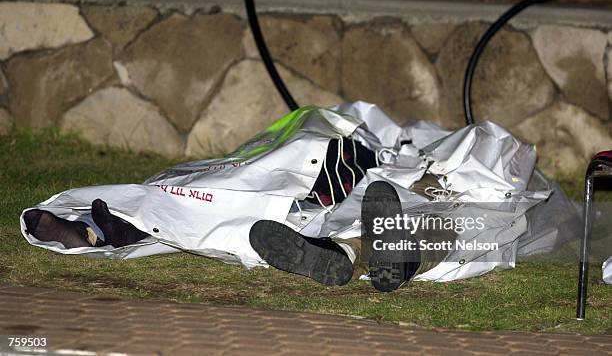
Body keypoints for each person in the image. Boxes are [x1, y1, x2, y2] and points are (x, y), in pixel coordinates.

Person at [20, 102, 584, 290]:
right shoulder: (393, 130)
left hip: (414, 195)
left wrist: (431, 170)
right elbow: (334, 129)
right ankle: (364, 257)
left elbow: (489, 163)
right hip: (368, 189)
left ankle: (364, 259)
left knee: (468, 215)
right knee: (427, 216)